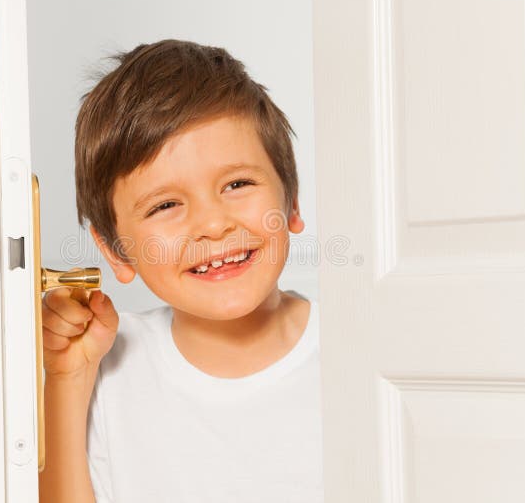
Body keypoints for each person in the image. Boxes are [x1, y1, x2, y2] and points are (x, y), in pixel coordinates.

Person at [38, 39, 323, 503]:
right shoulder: (106, 372)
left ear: (290, 201)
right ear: (115, 252)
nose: (213, 224)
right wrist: (67, 382)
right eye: (166, 205)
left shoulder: (360, 354)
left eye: (237, 183)